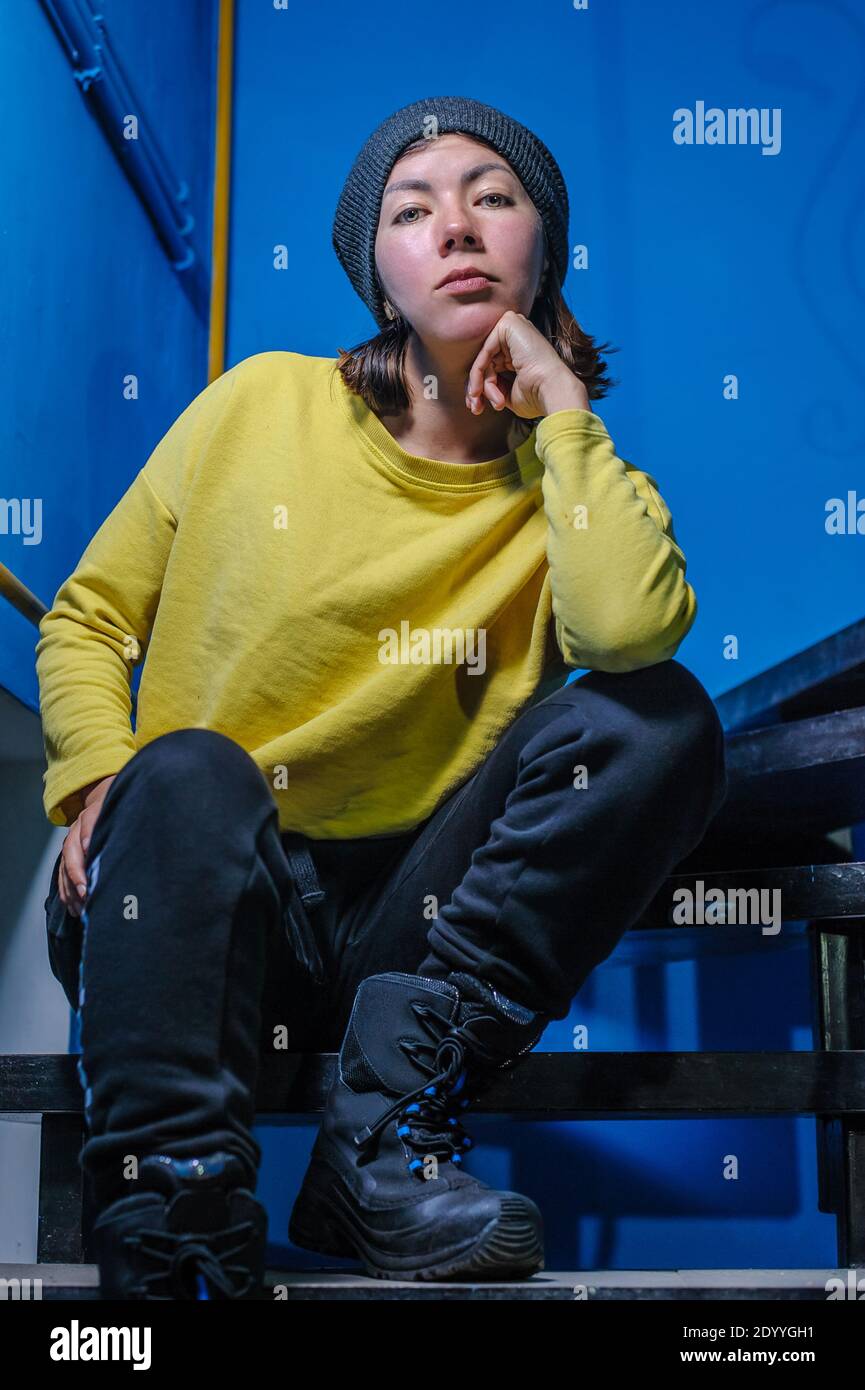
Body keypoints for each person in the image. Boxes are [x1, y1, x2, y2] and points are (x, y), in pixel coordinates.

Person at [37, 95, 727, 1300]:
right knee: (194, 766)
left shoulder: (581, 484)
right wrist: (101, 774)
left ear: (541, 248)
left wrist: (565, 416)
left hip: (400, 939)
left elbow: (623, 632)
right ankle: (176, 1202)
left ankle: (378, 1148)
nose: (454, 224)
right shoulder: (260, 405)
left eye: (492, 197)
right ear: (377, 269)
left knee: (652, 716)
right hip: (196, 901)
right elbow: (89, 619)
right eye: (413, 209)